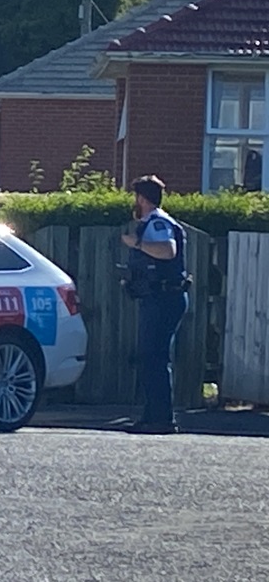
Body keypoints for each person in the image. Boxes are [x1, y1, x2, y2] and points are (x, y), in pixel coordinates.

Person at [120, 175, 189, 435]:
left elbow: (167, 251)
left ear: (143, 199)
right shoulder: (151, 221)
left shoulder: (157, 222)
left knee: (155, 358)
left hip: (164, 298)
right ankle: (152, 416)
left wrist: (136, 242)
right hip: (158, 297)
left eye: (136, 197)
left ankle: (161, 419)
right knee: (150, 357)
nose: (134, 202)